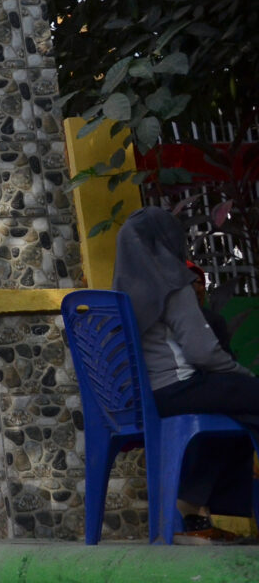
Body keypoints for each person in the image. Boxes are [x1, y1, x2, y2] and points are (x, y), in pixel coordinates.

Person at [112, 206, 259, 535]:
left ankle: (197, 509)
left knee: (238, 414)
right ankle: (223, 511)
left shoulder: (121, 293)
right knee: (249, 395)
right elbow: (202, 352)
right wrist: (241, 375)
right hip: (179, 388)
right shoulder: (170, 284)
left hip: (148, 396)